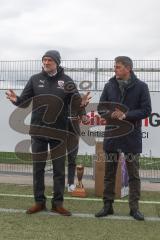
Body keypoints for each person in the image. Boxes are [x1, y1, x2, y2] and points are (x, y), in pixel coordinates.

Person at [6, 50, 91, 216]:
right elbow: (24, 102)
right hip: (37, 131)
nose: (46, 63)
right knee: (38, 169)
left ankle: (57, 204)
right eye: (44, 60)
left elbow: (76, 103)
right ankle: (39, 202)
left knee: (59, 170)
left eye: (49, 60)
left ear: (57, 62)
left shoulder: (67, 81)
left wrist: (82, 107)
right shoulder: (34, 79)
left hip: (59, 132)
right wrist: (16, 100)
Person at [95, 56, 152, 220]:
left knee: (133, 175)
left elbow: (146, 110)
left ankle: (134, 209)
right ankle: (107, 206)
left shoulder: (142, 87)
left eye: (118, 67)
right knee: (109, 173)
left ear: (128, 68)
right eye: (115, 66)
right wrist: (110, 114)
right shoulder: (109, 85)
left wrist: (126, 115)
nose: (115, 69)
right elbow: (101, 108)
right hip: (112, 135)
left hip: (131, 137)